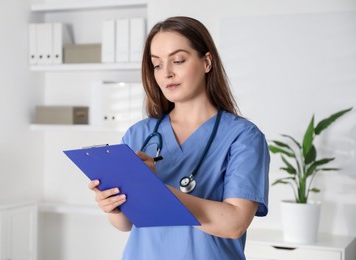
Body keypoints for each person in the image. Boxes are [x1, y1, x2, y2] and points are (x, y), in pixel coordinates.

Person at [88, 16, 270, 260]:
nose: (167, 73)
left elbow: (234, 223)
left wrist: (155, 191)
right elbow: (125, 224)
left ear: (206, 62)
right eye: (157, 65)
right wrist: (112, 205)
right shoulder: (139, 134)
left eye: (178, 60)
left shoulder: (243, 137)